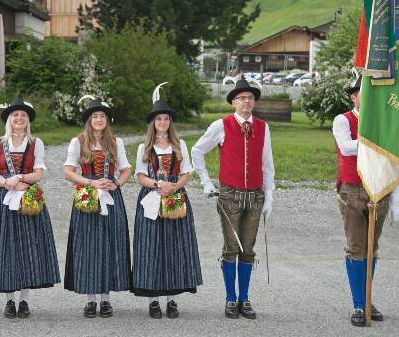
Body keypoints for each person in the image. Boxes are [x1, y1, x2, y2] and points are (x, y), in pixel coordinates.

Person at [191, 77, 274, 320]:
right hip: (230, 196)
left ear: (254, 101)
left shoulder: (262, 127)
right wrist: (206, 182)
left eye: (249, 97)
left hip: (255, 196)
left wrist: (269, 196)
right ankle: (230, 298)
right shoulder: (221, 125)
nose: (246, 101)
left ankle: (244, 298)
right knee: (231, 248)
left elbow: (267, 164)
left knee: (248, 249)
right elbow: (197, 151)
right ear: (233, 103)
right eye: (241, 98)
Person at [0, 98, 60, 319]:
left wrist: (21, 178)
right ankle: (9, 300)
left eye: (23, 116)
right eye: (15, 115)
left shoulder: (36, 143)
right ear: (8, 119)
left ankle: (24, 300)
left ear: (28, 121)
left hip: (29, 201)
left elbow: (39, 173)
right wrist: (7, 182)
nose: (19, 118)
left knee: (28, 248)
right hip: (5, 199)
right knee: (7, 249)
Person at [332, 77, 399, 327]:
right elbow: (347, 147)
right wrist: (373, 140)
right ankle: (358, 303)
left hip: (379, 189)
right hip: (352, 190)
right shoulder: (343, 120)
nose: (368, 97)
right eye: (363, 92)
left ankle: (368, 298)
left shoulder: (384, 122)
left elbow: (393, 159)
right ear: (354, 96)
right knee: (356, 247)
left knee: (372, 247)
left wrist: (396, 199)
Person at [132, 86, 203, 319]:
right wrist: (157, 185)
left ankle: (172, 300)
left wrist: (174, 186)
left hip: (175, 197)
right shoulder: (145, 148)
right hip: (152, 198)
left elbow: (186, 173)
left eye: (166, 118)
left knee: (174, 247)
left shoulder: (179, 146)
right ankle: (153, 300)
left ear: (170, 122)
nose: (162, 122)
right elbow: (140, 176)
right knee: (151, 247)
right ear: (152, 123)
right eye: (158, 118)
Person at [63, 96, 132, 318]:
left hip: (111, 198)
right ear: (89, 119)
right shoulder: (78, 141)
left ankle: (106, 299)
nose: (99, 119)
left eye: (103, 116)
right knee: (89, 247)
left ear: (107, 119)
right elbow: (68, 172)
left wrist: (116, 184)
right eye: (95, 116)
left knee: (110, 245)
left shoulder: (115, 142)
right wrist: (91, 182)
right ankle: (90, 299)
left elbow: (126, 170)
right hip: (87, 197)